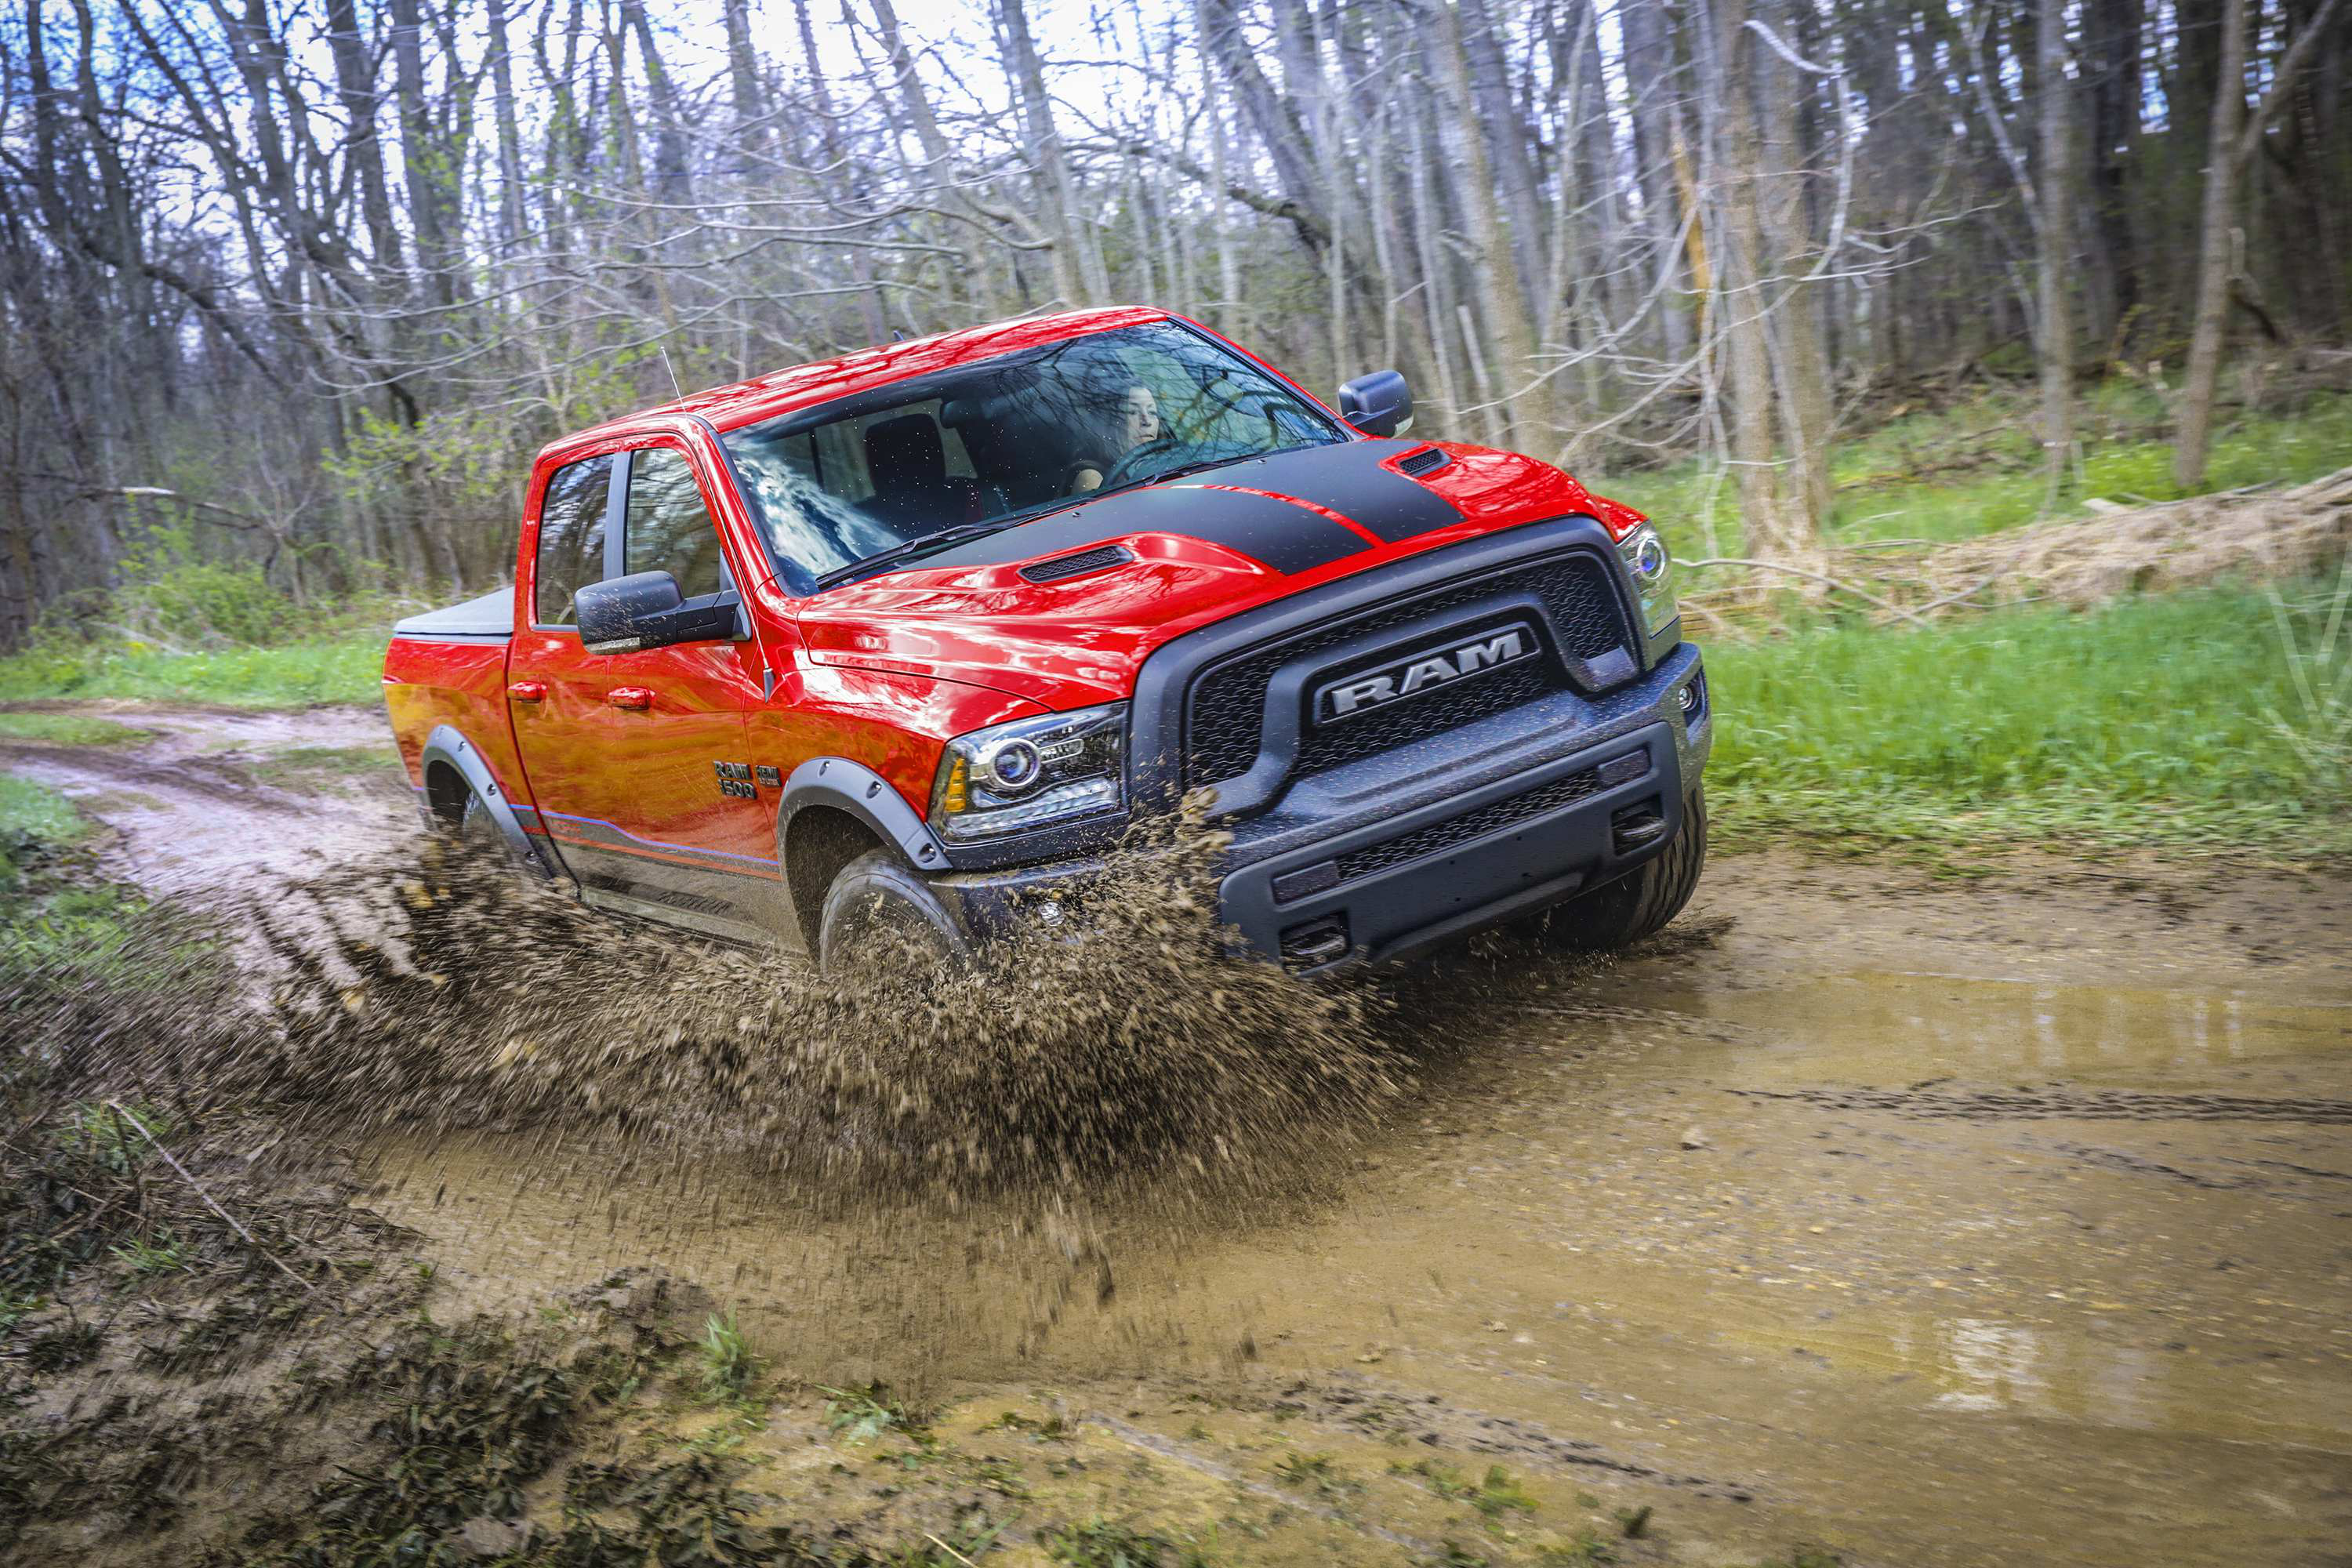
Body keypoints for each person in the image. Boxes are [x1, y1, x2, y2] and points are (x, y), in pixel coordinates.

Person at [1067, 383, 1165, 494]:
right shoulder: (1093, 478)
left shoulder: (1169, 464)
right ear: (1112, 423)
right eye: (1133, 412)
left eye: (1152, 412)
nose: (1147, 422)